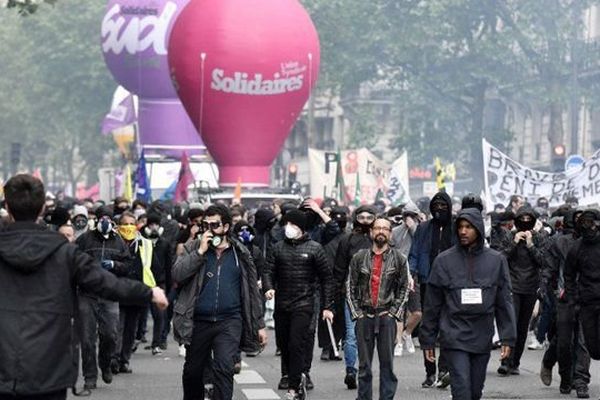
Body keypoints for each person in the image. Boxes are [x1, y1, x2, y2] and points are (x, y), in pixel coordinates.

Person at [0, 174, 168, 400]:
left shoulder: (65, 250)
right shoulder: (64, 252)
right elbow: (106, 283)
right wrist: (149, 292)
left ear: (7, 206)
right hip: (48, 367)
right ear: (41, 209)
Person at [420, 208, 517, 400]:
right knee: (461, 389)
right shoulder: (444, 260)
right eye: (460, 227)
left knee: (474, 391)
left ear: (479, 229)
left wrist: (508, 337)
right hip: (454, 333)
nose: (463, 231)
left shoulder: (496, 260)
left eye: (469, 227)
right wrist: (427, 340)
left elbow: (504, 300)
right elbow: (432, 304)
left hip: (482, 334)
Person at [173, 205, 267, 400]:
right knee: (193, 372)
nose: (209, 229)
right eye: (205, 225)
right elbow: (177, 275)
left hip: (229, 320)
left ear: (225, 227)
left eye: (214, 225)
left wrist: (259, 324)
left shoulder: (239, 253)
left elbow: (251, 291)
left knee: (224, 368)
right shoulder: (192, 247)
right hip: (198, 320)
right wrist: (199, 252)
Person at [263, 209, 335, 400]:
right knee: (285, 345)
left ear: (301, 228)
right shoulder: (277, 248)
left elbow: (327, 278)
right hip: (282, 304)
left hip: (304, 304)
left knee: (297, 343)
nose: (289, 228)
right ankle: (291, 375)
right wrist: (269, 287)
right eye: (286, 224)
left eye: (293, 225)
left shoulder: (315, 248)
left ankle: (294, 388)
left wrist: (327, 306)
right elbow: (268, 271)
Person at [347, 217, 410, 400]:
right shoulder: (359, 258)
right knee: (364, 367)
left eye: (385, 228)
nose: (381, 231)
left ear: (390, 233)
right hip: (364, 316)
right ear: (371, 232)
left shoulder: (399, 258)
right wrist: (356, 314)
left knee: (387, 366)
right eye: (377, 228)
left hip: (386, 316)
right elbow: (350, 286)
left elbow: (404, 288)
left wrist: (393, 314)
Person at [76, 206, 133, 390]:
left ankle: (105, 363)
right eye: (102, 218)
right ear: (96, 221)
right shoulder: (84, 239)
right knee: (87, 338)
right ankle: (89, 377)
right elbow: (72, 260)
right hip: (87, 294)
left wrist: (114, 264)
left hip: (109, 294)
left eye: (108, 218)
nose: (105, 221)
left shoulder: (119, 242)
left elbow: (128, 265)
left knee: (110, 335)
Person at [540, 209, 590, 398]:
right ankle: (562, 374)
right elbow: (550, 269)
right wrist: (549, 290)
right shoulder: (559, 242)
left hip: (587, 300)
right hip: (564, 298)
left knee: (583, 342)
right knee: (563, 341)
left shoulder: (594, 242)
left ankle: (581, 380)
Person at [408, 191, 455, 388]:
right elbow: (415, 252)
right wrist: (410, 274)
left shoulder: (456, 227)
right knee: (429, 329)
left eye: (443, 205)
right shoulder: (424, 228)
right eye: (435, 205)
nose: (439, 209)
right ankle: (430, 372)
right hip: (429, 282)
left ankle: (444, 370)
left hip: (452, 284)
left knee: (447, 329)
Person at [497, 205, 549, 375]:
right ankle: (505, 360)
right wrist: (514, 242)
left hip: (530, 287)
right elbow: (500, 258)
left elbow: (543, 261)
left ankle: (515, 362)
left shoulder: (539, 237)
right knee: (510, 323)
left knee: (522, 326)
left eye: (529, 219)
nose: (525, 222)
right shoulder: (509, 235)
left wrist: (530, 244)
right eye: (522, 219)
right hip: (513, 286)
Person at [333, 205, 378, 389]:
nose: (366, 220)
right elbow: (339, 268)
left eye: (370, 217)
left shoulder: (379, 238)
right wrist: (336, 292)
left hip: (376, 296)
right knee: (351, 335)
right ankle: (351, 370)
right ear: (355, 218)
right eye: (362, 217)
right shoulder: (347, 240)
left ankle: (364, 368)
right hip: (351, 294)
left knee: (369, 336)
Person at [564, 209, 600, 397]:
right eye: (585, 223)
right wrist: (573, 298)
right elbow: (568, 275)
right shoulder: (577, 248)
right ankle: (580, 380)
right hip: (586, 301)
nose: (590, 228)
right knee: (585, 343)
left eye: (592, 223)